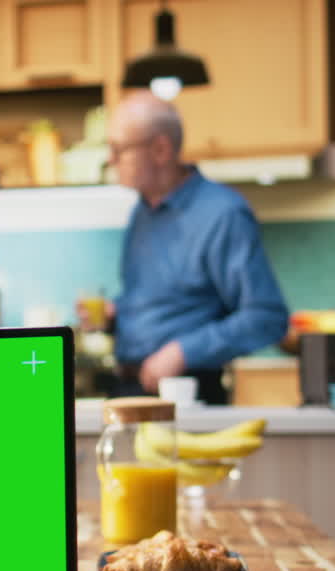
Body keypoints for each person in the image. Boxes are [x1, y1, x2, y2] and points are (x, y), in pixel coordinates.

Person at [101, 91, 289, 404]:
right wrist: (113, 315)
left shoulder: (222, 213)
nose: (111, 159)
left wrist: (183, 352)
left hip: (187, 392)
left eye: (119, 149)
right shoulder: (141, 213)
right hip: (131, 387)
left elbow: (266, 317)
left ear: (160, 149)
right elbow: (165, 302)